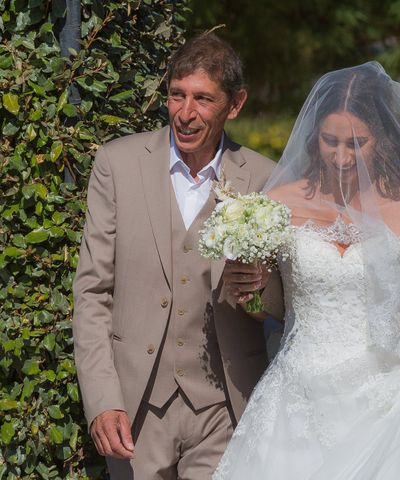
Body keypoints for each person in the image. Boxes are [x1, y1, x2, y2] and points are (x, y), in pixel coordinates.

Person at [213, 62, 400, 479]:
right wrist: (246, 287)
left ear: (385, 139)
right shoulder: (277, 204)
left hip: (385, 395)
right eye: (329, 141)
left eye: (356, 143)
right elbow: (268, 308)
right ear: (313, 136)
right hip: (297, 396)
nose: (340, 157)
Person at [72, 32, 283, 479]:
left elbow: (287, 303)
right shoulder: (118, 164)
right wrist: (103, 399)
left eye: (203, 99)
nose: (185, 114)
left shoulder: (265, 179)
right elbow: (92, 293)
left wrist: (263, 291)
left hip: (225, 407)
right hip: (136, 408)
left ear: (235, 104)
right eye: (176, 95)